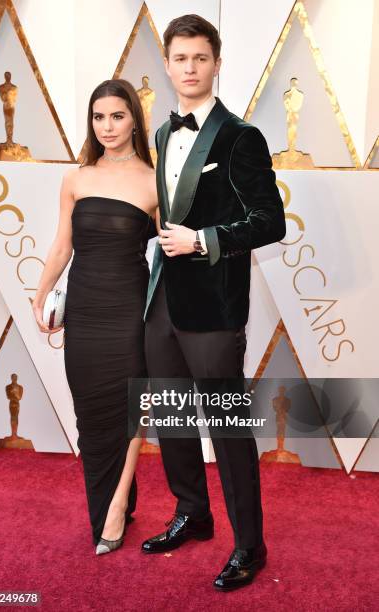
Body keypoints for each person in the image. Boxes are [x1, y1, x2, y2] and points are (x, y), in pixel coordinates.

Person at [141, 15, 286, 591]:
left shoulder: (240, 137)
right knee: (172, 417)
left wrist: (202, 239)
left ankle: (251, 546)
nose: (190, 69)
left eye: (200, 58)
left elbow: (270, 222)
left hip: (215, 310)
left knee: (227, 430)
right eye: (180, 59)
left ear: (217, 62)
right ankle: (192, 514)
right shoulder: (159, 134)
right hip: (163, 304)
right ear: (169, 64)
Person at [32, 79, 157, 555]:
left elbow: (170, 253)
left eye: (117, 116)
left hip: (129, 307)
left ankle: (117, 502)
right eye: (99, 117)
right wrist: (41, 294)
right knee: (90, 413)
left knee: (129, 406)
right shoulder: (77, 177)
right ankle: (113, 494)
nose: (107, 126)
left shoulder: (153, 179)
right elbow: (62, 244)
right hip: (83, 307)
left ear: (134, 120)